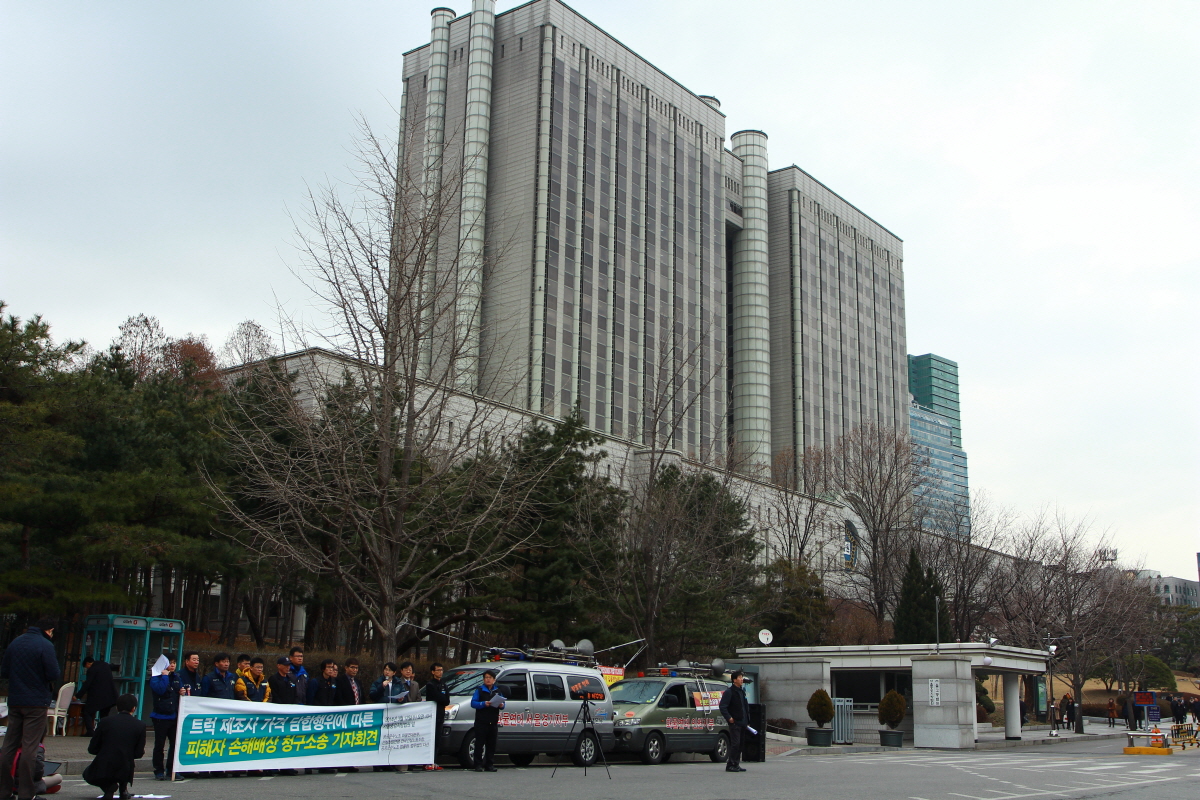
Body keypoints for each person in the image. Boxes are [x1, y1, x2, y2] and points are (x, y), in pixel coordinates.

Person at [0, 617, 62, 800]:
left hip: (15, 701)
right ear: (49, 630)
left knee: (9, 746)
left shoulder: (16, 642)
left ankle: (4, 791)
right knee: (30, 747)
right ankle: (27, 793)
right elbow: (54, 673)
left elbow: (4, 671)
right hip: (36, 702)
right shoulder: (45, 645)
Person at [83, 693, 146, 800]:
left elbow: (93, 748)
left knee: (87, 773)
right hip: (126, 767)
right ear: (134, 708)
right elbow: (139, 752)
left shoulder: (105, 722)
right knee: (126, 760)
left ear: (117, 707)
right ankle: (123, 790)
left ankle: (108, 787)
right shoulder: (140, 725)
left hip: (105, 764)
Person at [148, 656, 182, 780]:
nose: (172, 665)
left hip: (173, 716)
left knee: (174, 744)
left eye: (174, 663)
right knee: (159, 745)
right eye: (170, 663)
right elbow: (161, 690)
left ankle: (171, 769)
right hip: (160, 716)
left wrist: (182, 691)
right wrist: (165, 676)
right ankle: (158, 770)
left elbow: (179, 690)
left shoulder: (177, 677)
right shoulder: (155, 678)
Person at [307, 660, 342, 774]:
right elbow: (310, 698)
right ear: (323, 669)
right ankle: (309, 765)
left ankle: (324, 764)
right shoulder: (316, 682)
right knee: (315, 740)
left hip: (329, 716)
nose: (331, 669)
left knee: (326, 740)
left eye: (332, 667)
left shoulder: (333, 682)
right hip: (317, 715)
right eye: (328, 667)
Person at [469, 670, 505, 772]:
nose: (488, 679)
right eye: (486, 677)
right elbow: (473, 703)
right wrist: (483, 704)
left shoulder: (497, 691)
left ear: (494, 680)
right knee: (479, 744)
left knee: (491, 744)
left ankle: (490, 764)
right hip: (481, 721)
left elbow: (503, 703)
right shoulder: (480, 690)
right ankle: (478, 764)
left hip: (493, 721)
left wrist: (501, 705)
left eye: (490, 678)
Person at [718, 670, 750, 773]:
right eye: (739, 678)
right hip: (735, 723)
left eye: (742, 677)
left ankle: (736, 764)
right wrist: (729, 718)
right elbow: (723, 706)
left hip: (743, 722)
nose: (741, 679)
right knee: (735, 744)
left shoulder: (741, 691)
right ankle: (730, 764)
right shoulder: (729, 692)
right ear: (734, 680)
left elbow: (745, 707)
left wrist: (747, 720)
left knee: (740, 744)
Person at [78, 655, 118, 737]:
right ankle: (103, 732)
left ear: (88, 663)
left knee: (87, 712)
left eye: (86, 667)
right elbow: (114, 667)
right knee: (104, 715)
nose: (87, 668)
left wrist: (78, 695)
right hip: (110, 696)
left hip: (97, 696)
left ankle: (90, 731)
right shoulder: (105, 665)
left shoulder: (92, 670)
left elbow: (87, 684)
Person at [423, 663, 449, 771]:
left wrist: (441, 697)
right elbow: (435, 697)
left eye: (441, 670)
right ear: (433, 672)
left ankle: (434, 761)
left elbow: (446, 700)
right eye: (438, 670)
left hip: (440, 714)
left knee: (438, 739)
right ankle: (427, 762)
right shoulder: (430, 684)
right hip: (432, 714)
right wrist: (441, 697)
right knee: (431, 739)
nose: (440, 672)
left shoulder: (443, 684)